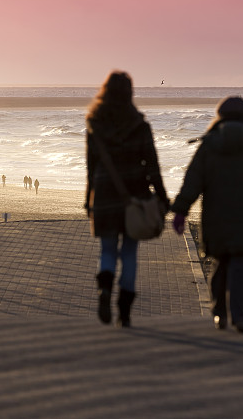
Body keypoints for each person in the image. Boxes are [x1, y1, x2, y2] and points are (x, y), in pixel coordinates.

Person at [171, 96, 243, 334]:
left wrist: (180, 211)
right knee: (241, 265)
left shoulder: (209, 144)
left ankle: (219, 313)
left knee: (221, 263)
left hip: (216, 216)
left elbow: (192, 181)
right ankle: (239, 316)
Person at [85, 70, 169, 328]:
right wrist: (162, 197)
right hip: (135, 195)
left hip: (105, 195)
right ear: (130, 94)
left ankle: (104, 290)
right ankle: (124, 311)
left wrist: (88, 198)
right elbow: (152, 165)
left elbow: (91, 166)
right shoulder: (140, 126)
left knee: (107, 249)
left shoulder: (95, 124)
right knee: (130, 252)